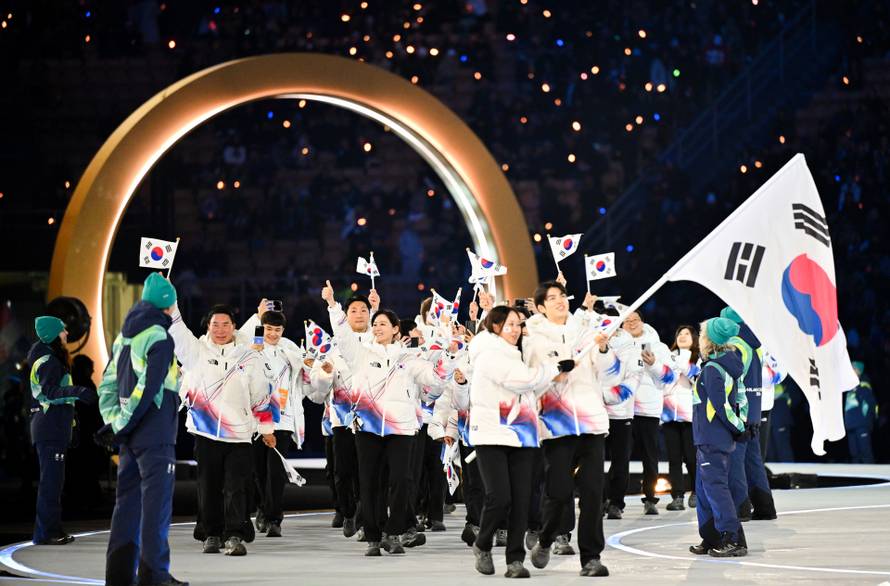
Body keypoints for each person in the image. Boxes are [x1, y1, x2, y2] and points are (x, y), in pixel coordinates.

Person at [323, 280, 454, 557]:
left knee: (402, 481)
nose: (378, 327)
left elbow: (435, 382)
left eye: (384, 324)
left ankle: (393, 532)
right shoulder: (360, 354)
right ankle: (373, 536)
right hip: (368, 427)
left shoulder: (409, 357)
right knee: (370, 482)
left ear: (396, 330)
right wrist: (333, 306)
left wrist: (448, 358)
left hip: (402, 429)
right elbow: (344, 336)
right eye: (376, 324)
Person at [454, 305, 570, 578]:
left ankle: (514, 560)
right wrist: (552, 368)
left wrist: (552, 377)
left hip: (522, 435)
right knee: (499, 496)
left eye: (519, 324)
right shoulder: (488, 353)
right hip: (491, 434)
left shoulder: (517, 355)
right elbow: (520, 381)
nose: (516, 329)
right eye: (510, 325)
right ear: (495, 327)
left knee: (520, 499)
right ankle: (482, 544)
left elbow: (529, 389)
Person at [525, 282, 623, 577]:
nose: (559, 302)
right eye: (551, 299)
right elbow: (530, 381)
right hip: (557, 427)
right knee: (558, 492)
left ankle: (591, 557)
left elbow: (610, 375)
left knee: (593, 493)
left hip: (592, 424)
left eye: (561, 297)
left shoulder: (587, 331)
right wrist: (556, 369)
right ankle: (546, 538)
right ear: (541, 307)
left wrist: (604, 349)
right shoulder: (534, 339)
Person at [99, 272, 187, 586]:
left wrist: (114, 422)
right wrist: (124, 423)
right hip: (155, 432)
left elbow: (108, 384)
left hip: (129, 435)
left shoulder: (124, 336)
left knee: (126, 505)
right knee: (155, 508)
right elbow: (148, 390)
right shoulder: (160, 338)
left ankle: (119, 575)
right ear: (168, 305)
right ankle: (154, 574)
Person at [170, 302, 277, 557]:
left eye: (225, 324)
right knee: (208, 486)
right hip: (206, 433)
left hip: (239, 435)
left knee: (235, 487)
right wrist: (169, 300)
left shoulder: (248, 357)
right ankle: (211, 534)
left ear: (234, 327)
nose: (220, 329)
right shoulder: (195, 352)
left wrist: (266, 428)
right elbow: (177, 329)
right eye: (215, 324)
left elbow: (261, 395)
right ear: (208, 327)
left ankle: (234, 535)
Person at [242, 301, 322, 537]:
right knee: (258, 470)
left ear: (283, 331)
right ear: (262, 327)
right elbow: (239, 341)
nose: (273, 334)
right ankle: (263, 510)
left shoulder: (289, 349)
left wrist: (314, 366)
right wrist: (256, 317)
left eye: (277, 330)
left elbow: (308, 369)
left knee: (276, 471)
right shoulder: (251, 347)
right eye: (268, 329)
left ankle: (274, 518)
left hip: (283, 419)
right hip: (256, 418)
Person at [310, 289, 379, 539]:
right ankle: (348, 512)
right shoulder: (333, 349)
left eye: (364, 310)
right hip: (341, 420)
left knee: (368, 472)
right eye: (353, 311)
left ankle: (364, 517)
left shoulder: (376, 344)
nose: (359, 314)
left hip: (371, 420)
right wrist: (325, 375)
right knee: (343, 471)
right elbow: (317, 392)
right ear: (345, 317)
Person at [28, 315, 97, 545]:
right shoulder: (48, 360)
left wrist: (72, 426)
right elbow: (48, 392)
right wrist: (79, 391)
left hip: (52, 427)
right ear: (52, 334)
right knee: (51, 483)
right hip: (50, 428)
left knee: (54, 482)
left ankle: (50, 530)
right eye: (63, 330)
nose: (67, 334)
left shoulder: (47, 357)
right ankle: (47, 532)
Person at [689, 317, 748, 558]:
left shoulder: (713, 369)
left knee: (715, 489)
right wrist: (741, 422)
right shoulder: (723, 364)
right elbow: (742, 398)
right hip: (708, 438)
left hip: (713, 438)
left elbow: (721, 407)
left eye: (702, 334)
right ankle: (711, 536)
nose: (699, 338)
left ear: (710, 340)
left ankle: (732, 539)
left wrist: (737, 427)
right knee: (704, 490)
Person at [720, 307, 774, 521]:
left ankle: (740, 508)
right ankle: (765, 508)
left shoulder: (734, 345)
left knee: (735, 462)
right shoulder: (756, 343)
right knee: (754, 462)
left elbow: (730, 378)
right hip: (753, 409)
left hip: (738, 411)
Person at [621, 310, 674, 515]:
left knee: (650, 457)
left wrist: (654, 365)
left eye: (635, 319)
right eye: (627, 321)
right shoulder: (616, 345)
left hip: (648, 409)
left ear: (643, 322)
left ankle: (650, 499)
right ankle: (614, 501)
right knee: (619, 458)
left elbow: (669, 378)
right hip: (621, 409)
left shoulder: (658, 347)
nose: (631, 323)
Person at [661, 325, 702, 511]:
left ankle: (696, 491)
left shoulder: (699, 358)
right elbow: (661, 380)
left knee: (692, 457)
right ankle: (677, 496)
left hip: (689, 415)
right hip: (669, 414)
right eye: (680, 333)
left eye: (687, 334)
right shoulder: (667, 356)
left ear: (694, 338)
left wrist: (682, 365)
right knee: (674, 458)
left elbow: (697, 380)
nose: (682, 336)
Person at [844, 361, 875, 463]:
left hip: (861, 424)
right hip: (850, 425)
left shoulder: (864, 385)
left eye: (853, 368)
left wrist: (867, 421)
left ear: (858, 370)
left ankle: (871, 476)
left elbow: (870, 404)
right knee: (854, 453)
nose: (850, 370)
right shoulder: (849, 386)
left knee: (865, 452)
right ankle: (857, 477)